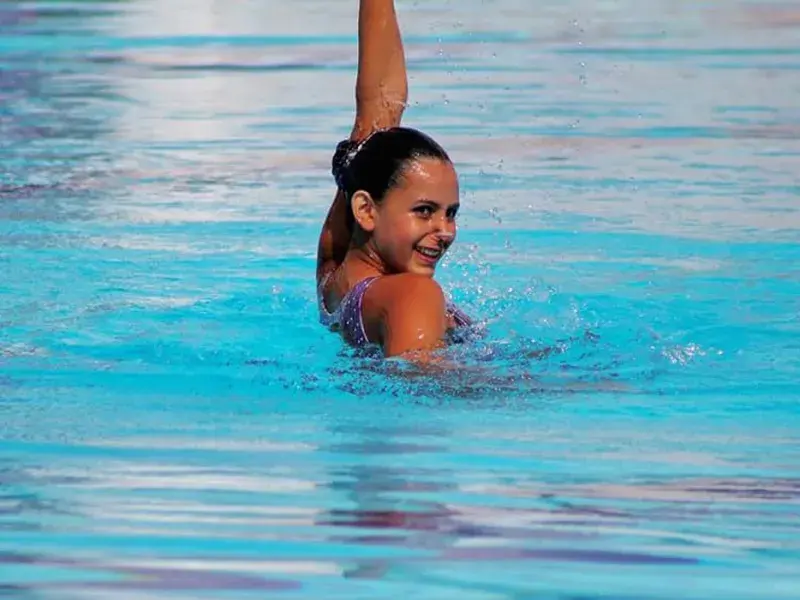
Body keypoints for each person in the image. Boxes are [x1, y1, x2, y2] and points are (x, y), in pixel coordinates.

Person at [317, 0, 471, 359]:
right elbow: (427, 386)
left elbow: (378, 115)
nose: (445, 230)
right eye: (424, 210)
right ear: (366, 210)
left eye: (451, 213)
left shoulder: (334, 280)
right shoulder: (413, 293)